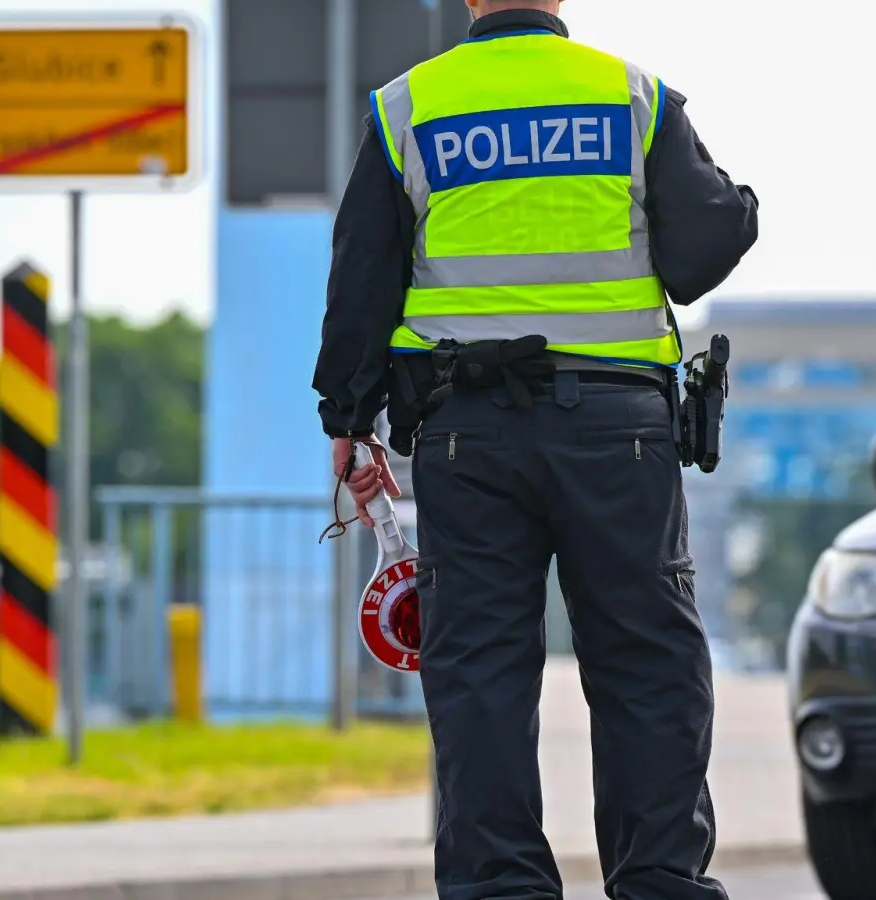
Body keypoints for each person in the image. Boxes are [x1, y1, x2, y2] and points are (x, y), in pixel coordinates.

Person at [311, 0, 759, 898]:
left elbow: (362, 270)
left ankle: (498, 886)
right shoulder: (633, 97)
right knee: (645, 665)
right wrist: (738, 204)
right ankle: (661, 881)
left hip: (464, 438)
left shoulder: (408, 109)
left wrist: (347, 419)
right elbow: (704, 249)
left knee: (478, 672)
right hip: (617, 436)